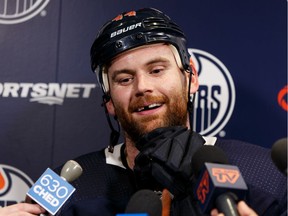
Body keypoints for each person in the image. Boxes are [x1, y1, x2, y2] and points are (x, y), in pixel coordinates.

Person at [52, 7, 285, 216]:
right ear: (109, 101)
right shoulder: (65, 185)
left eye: (156, 70)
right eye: (124, 79)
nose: (142, 87)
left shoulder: (267, 176)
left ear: (190, 77)